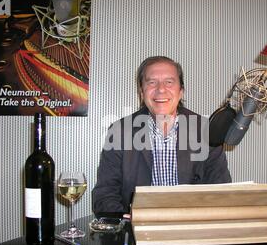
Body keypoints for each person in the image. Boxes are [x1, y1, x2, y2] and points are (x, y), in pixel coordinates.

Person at [92, 56, 231, 214]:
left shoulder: (206, 130)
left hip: (191, 230)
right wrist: (130, 221)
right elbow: (104, 196)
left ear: (181, 92)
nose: (161, 89)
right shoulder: (119, 131)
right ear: (141, 92)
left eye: (169, 82)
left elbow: (221, 190)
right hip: (137, 232)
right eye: (151, 82)